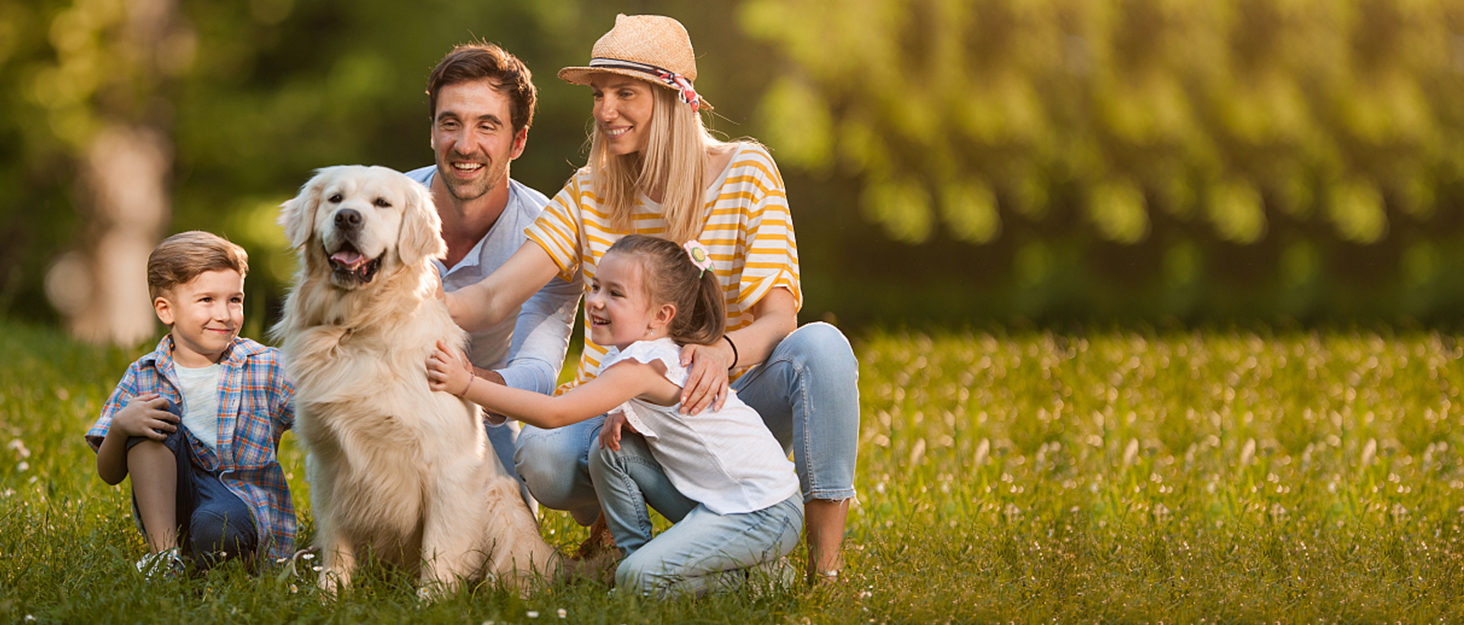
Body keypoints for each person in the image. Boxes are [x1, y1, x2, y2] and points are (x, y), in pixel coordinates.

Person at [444, 14, 860, 583]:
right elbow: (493, 296)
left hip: (729, 405)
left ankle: (825, 569)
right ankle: (640, 539)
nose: (604, 110)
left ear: (672, 99)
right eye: (598, 94)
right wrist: (399, 301)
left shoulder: (746, 171)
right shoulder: (589, 191)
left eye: (624, 93)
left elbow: (779, 317)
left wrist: (722, 354)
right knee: (543, 454)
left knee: (824, 349)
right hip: (626, 408)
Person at [428, 234, 803, 596]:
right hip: (720, 499)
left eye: (615, 293)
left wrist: (467, 384)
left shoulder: (645, 365)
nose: (595, 301)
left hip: (765, 511)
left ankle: (762, 578)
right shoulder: (636, 355)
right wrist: (623, 412)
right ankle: (634, 557)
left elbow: (555, 414)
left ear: (661, 315)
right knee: (608, 449)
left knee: (638, 582)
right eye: (594, 287)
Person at [404, 43, 581, 496]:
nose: (465, 146)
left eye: (487, 126)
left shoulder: (550, 233)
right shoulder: (387, 206)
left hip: (484, 413)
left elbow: (538, 370)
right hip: (387, 407)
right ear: (431, 132)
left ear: (517, 141)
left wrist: (470, 384)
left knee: (506, 538)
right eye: (450, 124)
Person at [86, 231, 296, 576]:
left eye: (235, 300)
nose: (225, 314)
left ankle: (228, 563)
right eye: (207, 300)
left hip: (239, 506)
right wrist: (122, 427)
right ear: (166, 310)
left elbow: (327, 412)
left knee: (217, 529)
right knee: (150, 419)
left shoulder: (267, 366)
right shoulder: (144, 374)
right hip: (174, 505)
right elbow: (110, 474)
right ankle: (164, 558)